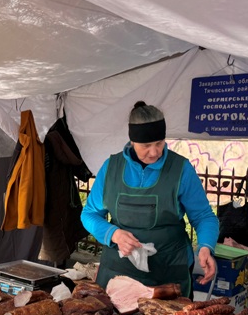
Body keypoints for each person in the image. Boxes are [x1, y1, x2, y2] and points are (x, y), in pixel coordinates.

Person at [81, 101, 218, 296]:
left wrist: (206, 246)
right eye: (146, 145)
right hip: (118, 274)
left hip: (169, 273)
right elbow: (90, 214)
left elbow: (204, 216)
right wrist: (114, 234)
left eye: (159, 143)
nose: (154, 152)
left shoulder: (180, 169)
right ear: (132, 141)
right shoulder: (111, 168)